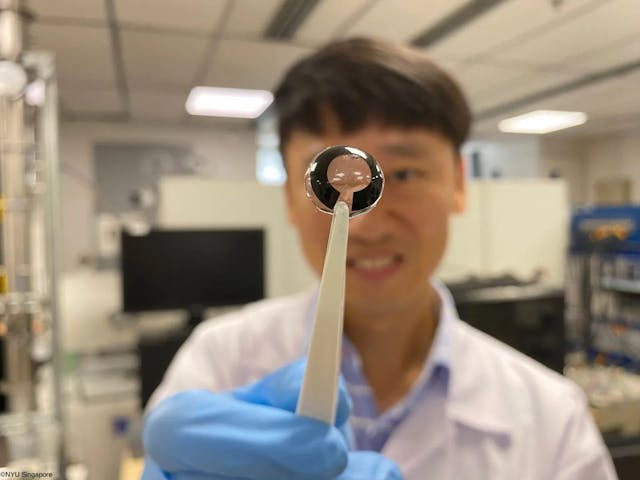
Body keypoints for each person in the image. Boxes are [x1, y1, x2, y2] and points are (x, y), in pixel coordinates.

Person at [140, 37, 617, 480]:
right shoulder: (219, 362)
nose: (363, 226)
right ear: (288, 194)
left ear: (457, 184)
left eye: (405, 173)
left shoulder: (554, 420)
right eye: (324, 184)